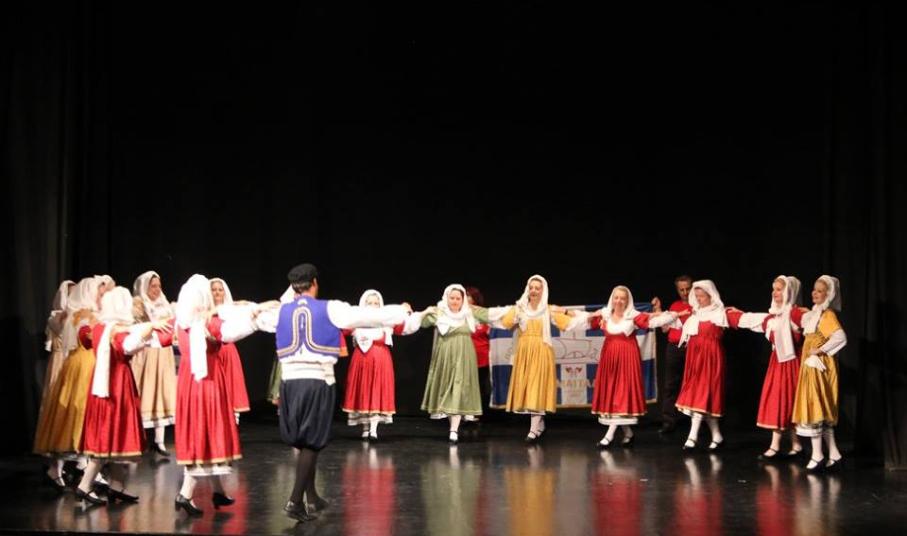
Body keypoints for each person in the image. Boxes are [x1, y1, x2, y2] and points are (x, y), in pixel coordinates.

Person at [273, 263, 410, 523]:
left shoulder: (280, 310)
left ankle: (311, 497)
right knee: (312, 442)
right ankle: (294, 501)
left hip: (289, 383)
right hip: (316, 381)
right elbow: (367, 316)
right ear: (314, 283)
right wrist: (399, 311)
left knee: (303, 442)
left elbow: (253, 319)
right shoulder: (330, 308)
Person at [172, 274, 266, 516]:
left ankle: (218, 491)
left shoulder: (182, 321)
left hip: (188, 381)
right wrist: (254, 320)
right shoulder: (205, 323)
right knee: (206, 433)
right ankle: (185, 494)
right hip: (207, 382)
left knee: (202, 432)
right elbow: (228, 332)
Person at [74, 286, 172, 508]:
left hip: (101, 386)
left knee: (114, 438)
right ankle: (84, 485)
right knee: (108, 437)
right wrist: (149, 328)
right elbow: (128, 346)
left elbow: (87, 336)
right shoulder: (116, 331)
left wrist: (144, 328)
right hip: (115, 386)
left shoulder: (101, 327)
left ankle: (116, 486)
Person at [32, 277, 107, 489]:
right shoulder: (83, 316)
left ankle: (80, 468)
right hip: (82, 367)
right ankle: (75, 468)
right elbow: (89, 340)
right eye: (99, 294)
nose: (102, 297)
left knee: (79, 418)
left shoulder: (84, 314)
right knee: (77, 416)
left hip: (84, 365)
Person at [585, 286, 679, 448]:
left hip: (627, 358)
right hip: (609, 358)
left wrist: (672, 315)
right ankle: (628, 433)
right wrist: (565, 313)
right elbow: (584, 321)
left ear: (627, 301)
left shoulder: (633, 316)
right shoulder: (605, 315)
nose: (619, 301)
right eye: (616, 297)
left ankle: (609, 436)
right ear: (612, 299)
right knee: (613, 394)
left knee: (621, 394)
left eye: (623, 298)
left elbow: (653, 321)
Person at [493, 275, 583, 442]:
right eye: (531, 287)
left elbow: (569, 323)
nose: (534, 290)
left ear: (543, 291)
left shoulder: (548, 310)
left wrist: (577, 314)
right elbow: (504, 323)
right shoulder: (520, 309)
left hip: (541, 350)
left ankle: (533, 430)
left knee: (537, 386)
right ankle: (539, 424)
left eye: (537, 288)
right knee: (528, 388)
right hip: (524, 351)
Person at [727, 275, 805, 460]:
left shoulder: (796, 314)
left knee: (788, 402)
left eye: (779, 289)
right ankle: (793, 445)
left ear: (789, 292)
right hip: (778, 364)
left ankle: (781, 446)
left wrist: (816, 312)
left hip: (793, 365)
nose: (774, 293)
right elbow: (751, 320)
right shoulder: (773, 316)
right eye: (773, 289)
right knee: (780, 401)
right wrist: (733, 314)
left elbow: (816, 323)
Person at [341, 289, 420, 441]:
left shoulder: (387, 321)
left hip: (381, 359)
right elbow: (341, 329)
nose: (373, 305)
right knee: (363, 391)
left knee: (377, 391)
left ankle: (373, 429)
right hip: (361, 360)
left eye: (376, 303)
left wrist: (408, 313)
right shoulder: (356, 320)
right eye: (369, 303)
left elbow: (405, 327)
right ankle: (365, 428)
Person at [418, 284, 492, 444]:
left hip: (465, 355)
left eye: (458, 298)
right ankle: (453, 427)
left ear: (462, 300)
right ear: (447, 298)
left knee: (459, 387)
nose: (455, 301)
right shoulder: (440, 312)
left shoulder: (469, 313)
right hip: (445, 355)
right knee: (448, 389)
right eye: (452, 298)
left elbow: (494, 316)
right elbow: (421, 323)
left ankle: (454, 430)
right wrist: (426, 312)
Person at [791, 275, 847, 471]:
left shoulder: (827, 315)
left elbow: (840, 337)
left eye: (820, 291)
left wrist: (821, 350)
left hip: (818, 367)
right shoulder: (816, 313)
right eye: (814, 289)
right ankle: (834, 454)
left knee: (815, 407)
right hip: (811, 366)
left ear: (828, 295)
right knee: (820, 409)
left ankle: (817, 456)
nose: (815, 293)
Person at [675, 280, 733, 451]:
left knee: (702, 395)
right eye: (697, 296)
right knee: (700, 397)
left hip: (711, 359)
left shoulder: (720, 313)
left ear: (711, 296)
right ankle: (717, 436)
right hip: (695, 360)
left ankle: (692, 437)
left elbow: (744, 320)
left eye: (702, 296)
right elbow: (671, 322)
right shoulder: (694, 315)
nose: (699, 299)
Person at [130, 271, 176, 456]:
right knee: (144, 391)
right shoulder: (138, 304)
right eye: (153, 286)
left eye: (158, 286)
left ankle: (159, 441)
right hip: (146, 353)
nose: (157, 289)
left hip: (163, 353)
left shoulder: (165, 304)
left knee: (161, 392)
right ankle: (135, 439)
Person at [210, 277, 252, 424]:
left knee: (230, 384)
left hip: (227, 350)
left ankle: (234, 421)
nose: (217, 292)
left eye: (220, 290)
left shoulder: (230, 309)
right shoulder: (205, 311)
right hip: (211, 352)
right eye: (214, 290)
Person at [659, 275, 693, 434]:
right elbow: (664, 328)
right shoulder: (675, 305)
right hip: (674, 348)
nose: (685, 292)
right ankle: (668, 421)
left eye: (688, 289)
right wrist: (658, 310)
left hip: (692, 348)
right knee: (670, 385)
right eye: (681, 290)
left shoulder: (698, 306)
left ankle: (697, 423)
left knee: (694, 385)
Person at [465, 286, 492, 419]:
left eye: (468, 296)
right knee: (465, 385)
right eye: (464, 295)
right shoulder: (459, 314)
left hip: (482, 357)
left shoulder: (483, 314)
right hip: (464, 356)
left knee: (479, 385)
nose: (466, 298)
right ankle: (464, 413)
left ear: (475, 298)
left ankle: (477, 413)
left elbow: (491, 333)